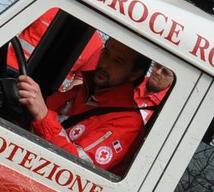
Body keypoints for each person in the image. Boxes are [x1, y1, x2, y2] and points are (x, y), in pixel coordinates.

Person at [16, 38, 152, 174]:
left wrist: (43, 116)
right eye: (105, 53)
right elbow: (39, 111)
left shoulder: (128, 123)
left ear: (134, 74)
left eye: (117, 62)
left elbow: (77, 168)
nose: (105, 64)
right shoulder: (85, 90)